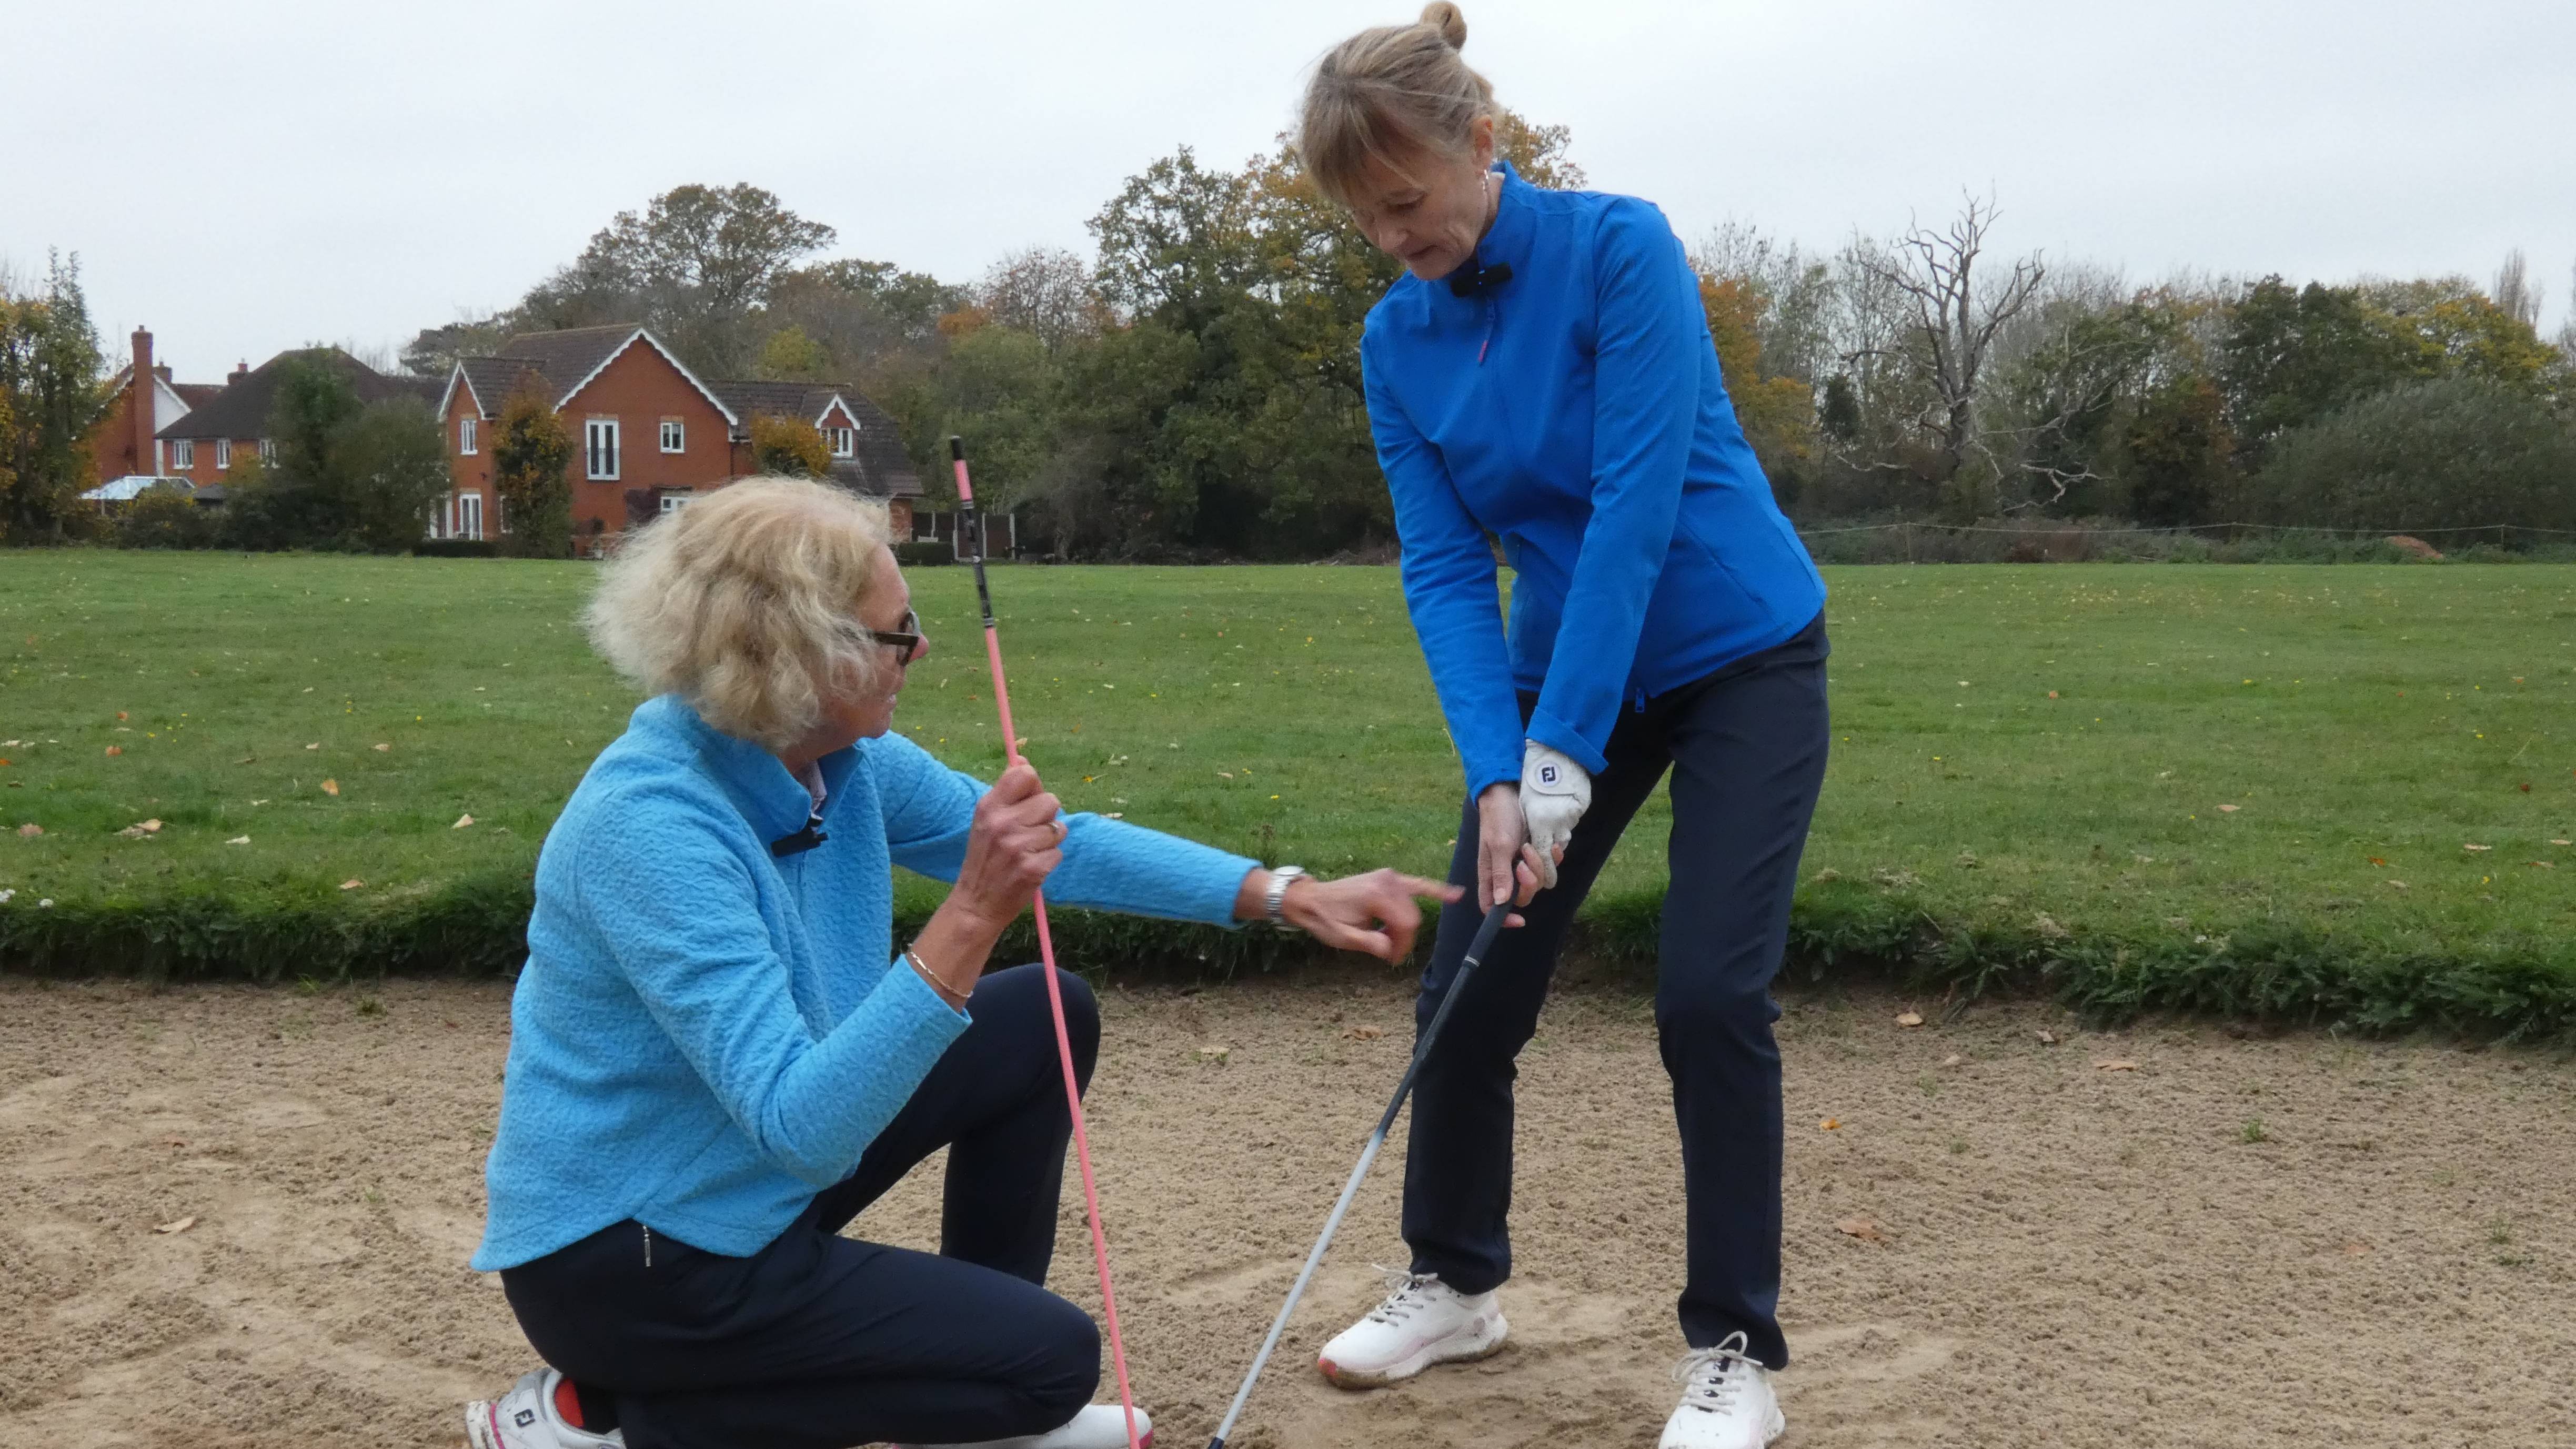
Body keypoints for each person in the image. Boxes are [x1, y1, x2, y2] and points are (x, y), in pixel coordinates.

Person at [460, 477, 1457, 1449]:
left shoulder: (836, 760)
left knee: (1046, 1013)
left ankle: (986, 1382)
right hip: (637, 1268)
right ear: (809, 657)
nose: (921, 647)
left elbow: (1062, 843)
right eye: (897, 631)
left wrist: (1286, 893)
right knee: (1053, 1362)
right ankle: (606, 1422)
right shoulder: (650, 828)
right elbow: (801, 1127)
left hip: (740, 1185)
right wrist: (973, 911)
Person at [1293, 8, 1833, 1448]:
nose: (1397, 239)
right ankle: (1455, 1281)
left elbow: (1635, 515)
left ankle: (1736, 1353)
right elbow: (1446, 568)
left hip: (1741, 652)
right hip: (1555, 687)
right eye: (1369, 221)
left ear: (1484, 143)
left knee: (1709, 995)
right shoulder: (1394, 340)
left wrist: (1559, 759)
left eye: (1408, 203)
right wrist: (1497, 771)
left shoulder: (1620, 249)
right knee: (1471, 975)